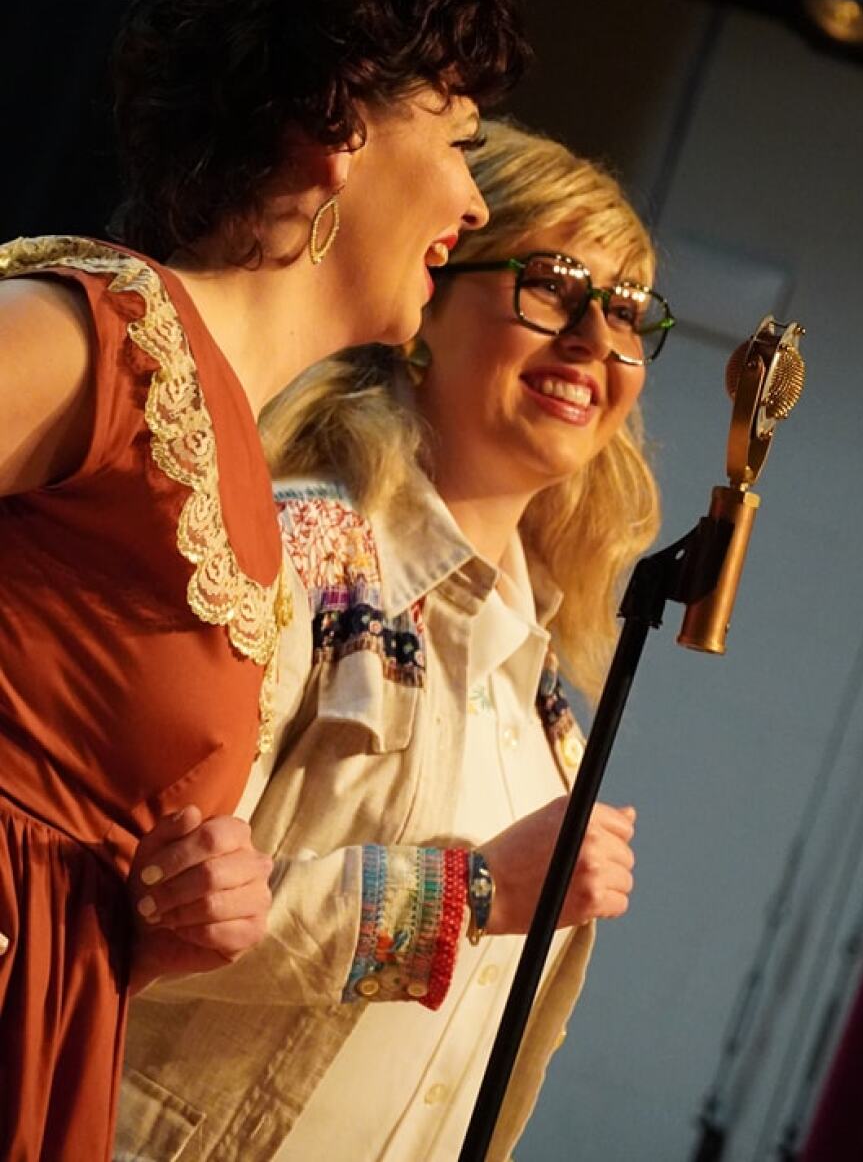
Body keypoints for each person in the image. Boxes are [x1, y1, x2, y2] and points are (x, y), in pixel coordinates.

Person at [0, 0, 531, 1162]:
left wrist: (182, 912)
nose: (471, 194)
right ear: (339, 128)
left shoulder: (232, 456)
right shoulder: (98, 338)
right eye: (456, 141)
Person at [116, 117, 674, 1162]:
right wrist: (476, 891)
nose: (596, 341)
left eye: (629, 314)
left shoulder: (546, 711)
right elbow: (134, 898)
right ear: (428, 298)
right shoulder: (293, 551)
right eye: (551, 284)